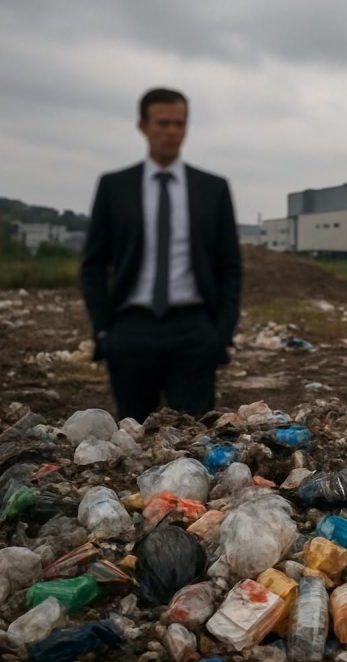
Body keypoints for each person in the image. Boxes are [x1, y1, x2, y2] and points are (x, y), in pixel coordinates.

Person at [82, 87, 242, 423]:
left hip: (193, 333)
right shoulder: (115, 187)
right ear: (143, 126)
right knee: (133, 438)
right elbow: (94, 265)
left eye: (179, 123)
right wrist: (103, 332)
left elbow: (230, 268)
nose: (172, 132)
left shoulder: (212, 189)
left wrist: (220, 334)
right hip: (130, 332)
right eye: (163, 123)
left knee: (193, 439)